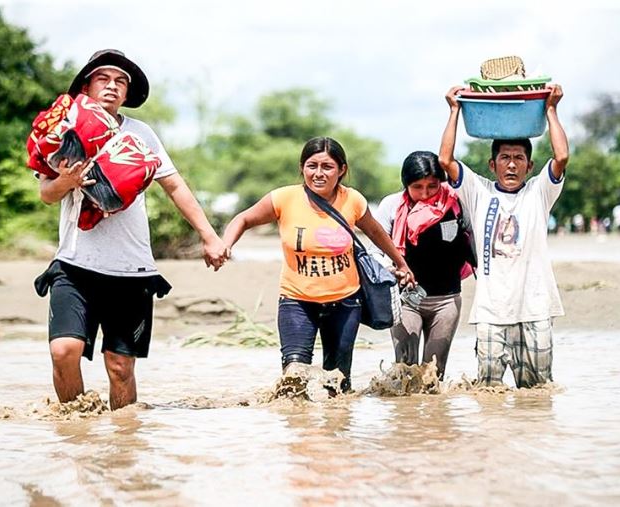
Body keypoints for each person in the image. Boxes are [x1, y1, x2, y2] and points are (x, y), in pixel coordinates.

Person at [34, 49, 228, 409]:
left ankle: (123, 449)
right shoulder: (65, 130)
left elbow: (174, 186)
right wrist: (67, 180)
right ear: (87, 87)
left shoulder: (141, 133)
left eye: (120, 81)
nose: (112, 86)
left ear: (127, 92)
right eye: (103, 79)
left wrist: (209, 235)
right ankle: (78, 429)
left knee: (120, 366)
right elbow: (46, 193)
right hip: (75, 263)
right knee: (64, 350)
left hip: (131, 268)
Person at [222, 137, 414, 393]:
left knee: (337, 384)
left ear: (342, 170)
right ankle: (300, 430)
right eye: (312, 166)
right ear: (302, 167)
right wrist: (225, 244)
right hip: (296, 301)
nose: (319, 173)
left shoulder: (353, 201)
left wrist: (402, 264)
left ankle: (335, 431)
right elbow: (243, 219)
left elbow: (377, 233)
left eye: (327, 167)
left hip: (345, 303)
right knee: (293, 378)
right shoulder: (284, 198)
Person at [438, 84, 569, 388]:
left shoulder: (539, 192)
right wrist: (454, 110)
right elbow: (445, 161)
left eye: (519, 158)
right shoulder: (478, 191)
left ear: (530, 165)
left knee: (539, 393)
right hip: (491, 312)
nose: (511, 164)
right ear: (492, 164)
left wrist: (551, 109)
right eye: (505, 157)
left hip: (535, 308)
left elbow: (561, 157)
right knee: (488, 395)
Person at [370, 151, 475, 379]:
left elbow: (474, 241)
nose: (425, 193)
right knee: (404, 371)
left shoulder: (457, 204)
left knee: (433, 375)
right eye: (417, 186)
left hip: (446, 302)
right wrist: (390, 269)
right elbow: (376, 252)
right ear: (405, 184)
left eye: (432, 186)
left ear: (442, 182)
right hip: (406, 300)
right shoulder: (392, 206)